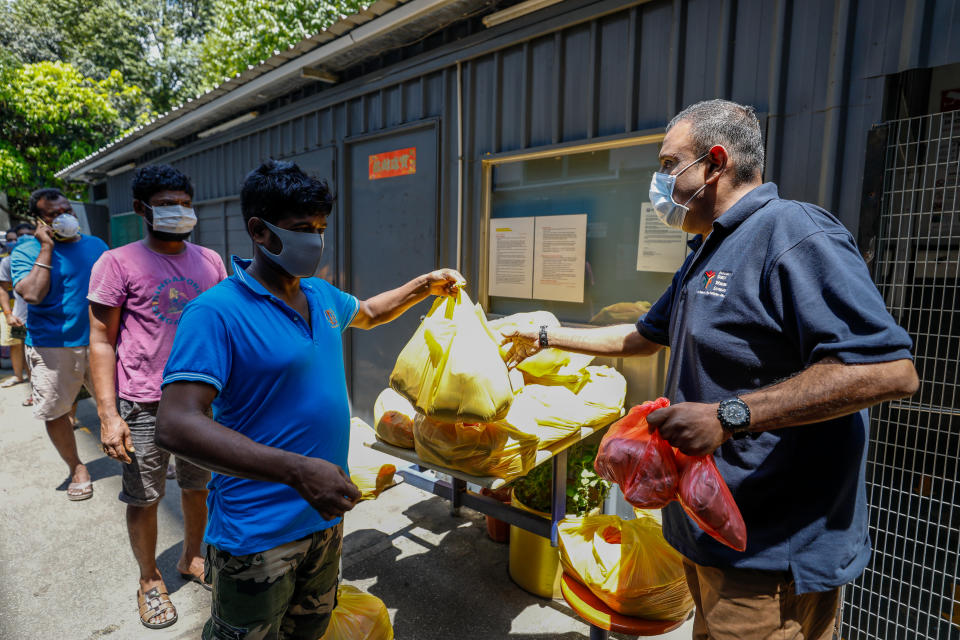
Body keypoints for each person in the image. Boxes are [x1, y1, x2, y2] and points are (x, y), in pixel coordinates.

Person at [502, 99, 919, 640]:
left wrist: (730, 415)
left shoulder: (792, 233)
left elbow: (888, 370)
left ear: (715, 162)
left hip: (770, 556)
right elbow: (641, 336)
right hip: (707, 535)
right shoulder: (708, 248)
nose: (659, 182)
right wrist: (540, 335)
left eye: (667, 164)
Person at [156, 159, 464, 640]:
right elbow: (175, 425)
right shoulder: (215, 312)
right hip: (257, 536)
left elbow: (368, 312)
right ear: (260, 231)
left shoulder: (319, 294)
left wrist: (425, 285)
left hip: (322, 519)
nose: (315, 241)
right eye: (301, 228)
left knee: (311, 631)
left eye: (320, 228)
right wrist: (296, 470)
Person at [87, 165, 228, 630]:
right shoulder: (117, 262)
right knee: (144, 495)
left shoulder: (210, 261)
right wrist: (109, 416)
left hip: (201, 401)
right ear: (142, 209)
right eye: (167, 204)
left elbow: (224, 327)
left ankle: (192, 556)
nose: (179, 212)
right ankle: (149, 579)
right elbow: (102, 341)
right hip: (144, 402)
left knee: (199, 486)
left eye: (184, 203)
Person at [11, 189, 108, 501]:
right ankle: (77, 467)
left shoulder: (96, 245)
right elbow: (32, 294)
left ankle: (132, 452)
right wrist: (46, 248)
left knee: (122, 404)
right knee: (57, 411)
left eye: (67, 209)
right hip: (51, 346)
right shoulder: (25, 250)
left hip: (100, 342)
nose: (65, 216)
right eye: (54, 214)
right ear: (38, 220)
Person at [1, 223, 36, 391]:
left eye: (28, 234)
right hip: (19, 316)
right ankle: (27, 384)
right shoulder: (8, 261)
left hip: (43, 316)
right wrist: (8, 313)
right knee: (20, 348)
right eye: (19, 235)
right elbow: (2, 288)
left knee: (36, 354)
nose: (23, 238)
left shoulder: (47, 255)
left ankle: (36, 390)